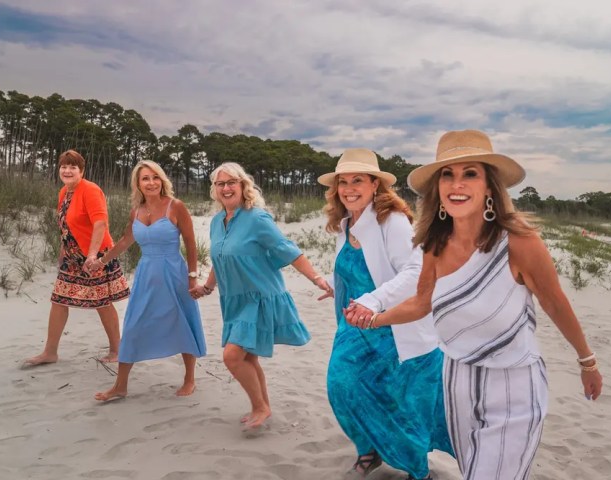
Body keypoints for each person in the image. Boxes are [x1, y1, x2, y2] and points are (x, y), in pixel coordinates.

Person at [349, 130, 604, 480]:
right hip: (457, 380)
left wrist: (587, 361)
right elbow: (421, 304)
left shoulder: (518, 242)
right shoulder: (433, 246)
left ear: (489, 187)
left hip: (513, 382)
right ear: (438, 189)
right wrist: (374, 319)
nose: (457, 184)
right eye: (448, 175)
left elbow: (554, 303)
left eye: (470, 173)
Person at [317, 149, 453, 480]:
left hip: (391, 326)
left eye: (358, 181)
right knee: (342, 386)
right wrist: (336, 284)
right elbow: (356, 268)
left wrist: (374, 302)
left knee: (400, 401)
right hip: (353, 326)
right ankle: (369, 451)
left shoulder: (391, 220)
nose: (349, 188)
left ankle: (416, 469)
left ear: (375, 184)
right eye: (343, 182)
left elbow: (413, 272)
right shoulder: (345, 222)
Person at [190, 162, 330, 430]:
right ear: (214, 190)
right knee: (247, 357)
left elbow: (289, 250)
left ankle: (261, 406)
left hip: (259, 297)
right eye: (221, 184)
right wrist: (207, 287)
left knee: (232, 356)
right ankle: (260, 406)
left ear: (244, 186)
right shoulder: (218, 222)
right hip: (234, 299)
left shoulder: (257, 218)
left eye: (232, 182)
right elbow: (220, 260)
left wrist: (317, 279)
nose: (226, 187)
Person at [90, 160, 206, 401]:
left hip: (174, 273)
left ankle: (189, 379)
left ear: (162, 180)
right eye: (145, 178)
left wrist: (192, 277)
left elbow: (191, 243)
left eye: (155, 177)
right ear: (138, 184)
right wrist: (101, 262)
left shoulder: (176, 207)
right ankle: (120, 386)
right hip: (146, 274)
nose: (151, 182)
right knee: (133, 325)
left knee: (181, 321)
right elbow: (124, 241)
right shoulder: (136, 212)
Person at [24, 150, 129, 366]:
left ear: (82, 170)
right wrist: (64, 251)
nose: (67, 170)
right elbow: (66, 224)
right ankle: (50, 352)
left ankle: (117, 350)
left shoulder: (91, 190)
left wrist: (92, 255)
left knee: (102, 301)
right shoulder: (64, 192)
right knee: (59, 300)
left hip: (96, 255)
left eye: (73, 167)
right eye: (64, 166)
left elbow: (100, 223)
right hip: (72, 257)